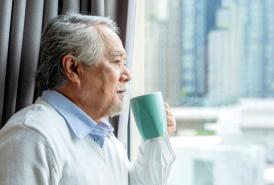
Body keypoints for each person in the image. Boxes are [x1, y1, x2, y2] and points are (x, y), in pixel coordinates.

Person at [0, 13, 176, 185]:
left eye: (125, 62)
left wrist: (157, 140)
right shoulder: (31, 136)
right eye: (116, 61)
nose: (127, 75)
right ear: (73, 68)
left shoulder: (107, 140)